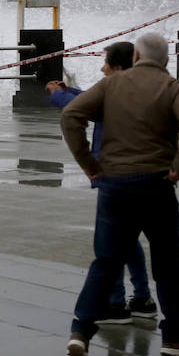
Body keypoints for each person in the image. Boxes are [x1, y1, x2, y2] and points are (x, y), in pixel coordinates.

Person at [60, 32, 179, 356]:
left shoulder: (111, 85)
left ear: (136, 57)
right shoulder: (174, 88)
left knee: (106, 261)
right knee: (169, 263)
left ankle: (81, 331)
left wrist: (89, 164)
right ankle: (174, 337)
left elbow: (71, 115)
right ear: (166, 59)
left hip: (114, 186)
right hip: (156, 186)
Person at [46, 40, 157, 323]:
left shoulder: (115, 94)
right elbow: (91, 100)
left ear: (119, 67)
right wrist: (68, 89)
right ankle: (143, 298)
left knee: (111, 242)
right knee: (129, 240)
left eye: (106, 63)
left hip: (115, 176)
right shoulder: (145, 89)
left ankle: (115, 303)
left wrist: (59, 96)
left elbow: (83, 108)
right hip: (146, 176)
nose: (102, 67)